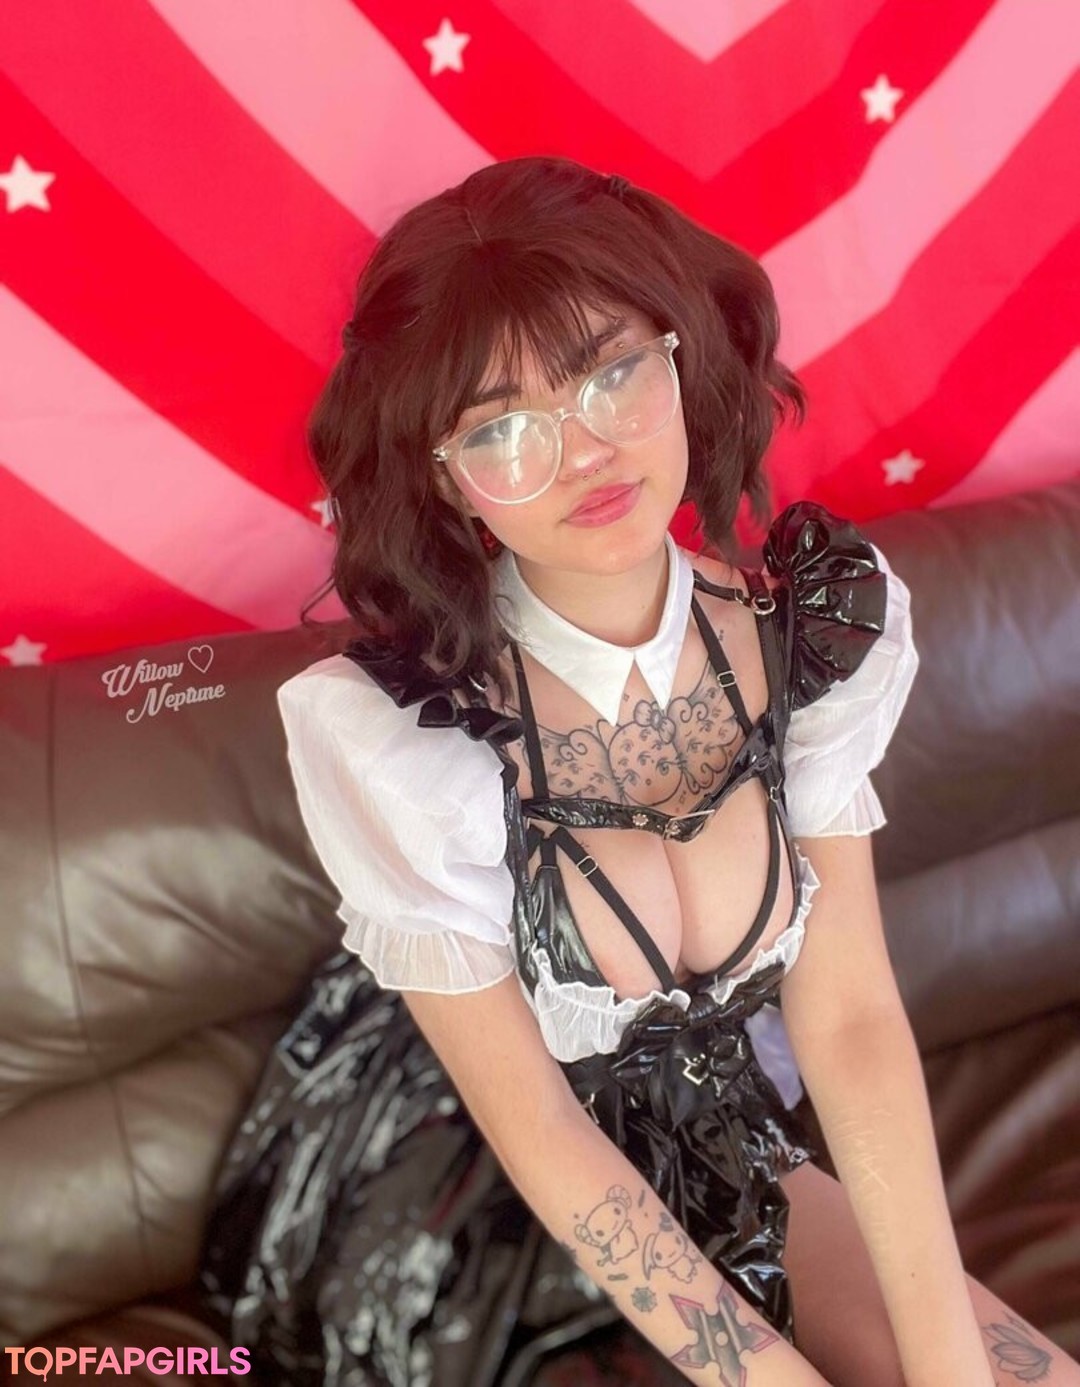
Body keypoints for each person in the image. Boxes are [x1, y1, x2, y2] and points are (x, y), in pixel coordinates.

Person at [197, 156, 1080, 1386]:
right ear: (445, 474)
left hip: (726, 1142)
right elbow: (541, 1127)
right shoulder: (402, 739)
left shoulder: (810, 637)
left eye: (612, 372)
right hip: (462, 1183)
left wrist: (952, 1366)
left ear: (679, 357)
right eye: (502, 428)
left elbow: (851, 1017)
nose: (584, 452)